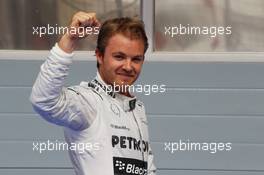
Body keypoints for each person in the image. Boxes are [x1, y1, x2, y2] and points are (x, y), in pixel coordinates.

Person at [30, 11, 157, 175]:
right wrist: (70, 39)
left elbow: (147, 168)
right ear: (99, 56)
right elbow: (43, 101)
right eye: (119, 56)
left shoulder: (137, 108)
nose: (128, 66)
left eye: (136, 59)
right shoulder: (88, 101)